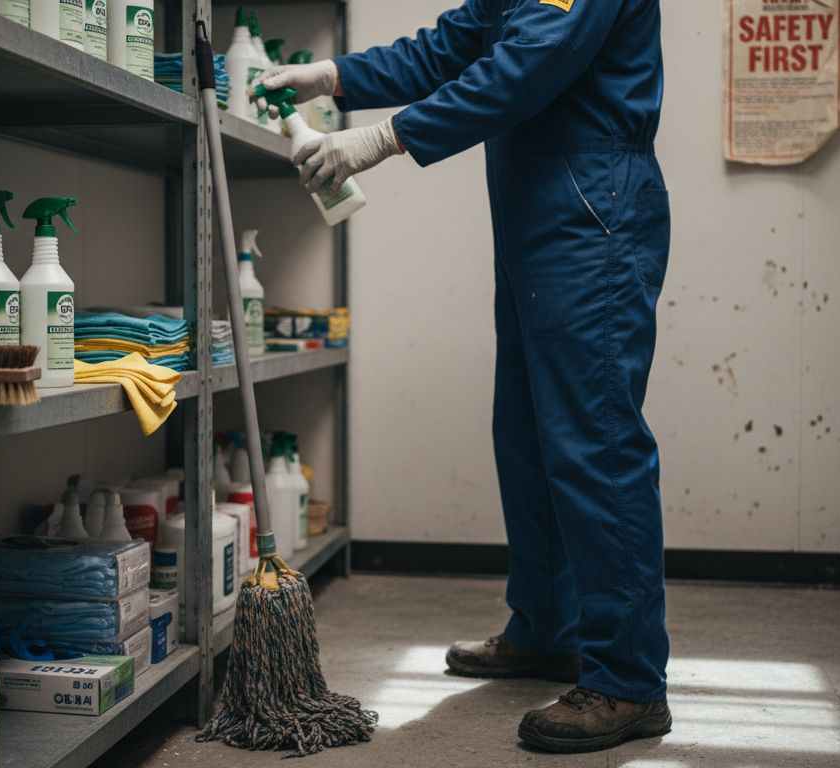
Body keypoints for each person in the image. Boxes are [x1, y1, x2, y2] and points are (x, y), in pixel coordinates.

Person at [258, 0, 671, 754]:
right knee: (527, 435)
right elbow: (453, 43)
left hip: (592, 207)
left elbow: (528, 65)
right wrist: (332, 76)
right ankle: (548, 629)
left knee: (594, 440)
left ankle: (628, 680)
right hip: (539, 208)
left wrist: (383, 138)